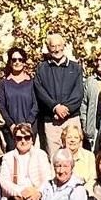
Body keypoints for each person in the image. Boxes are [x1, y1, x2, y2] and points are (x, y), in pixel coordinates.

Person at [34, 32, 84, 160]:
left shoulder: (76, 68)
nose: (56, 49)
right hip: (52, 121)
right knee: (54, 157)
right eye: (53, 46)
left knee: (75, 155)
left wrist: (66, 109)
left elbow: (78, 93)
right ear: (48, 48)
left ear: (64, 46)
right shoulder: (41, 68)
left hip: (71, 118)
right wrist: (55, 107)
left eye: (59, 45)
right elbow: (40, 91)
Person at [0, 46, 38, 151]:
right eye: (14, 60)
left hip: (30, 127)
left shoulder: (32, 83)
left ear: (24, 62)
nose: (17, 62)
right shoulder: (4, 84)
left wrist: (29, 123)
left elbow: (36, 105)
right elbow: (1, 106)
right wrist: (11, 125)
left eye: (20, 59)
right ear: (10, 62)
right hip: (11, 130)